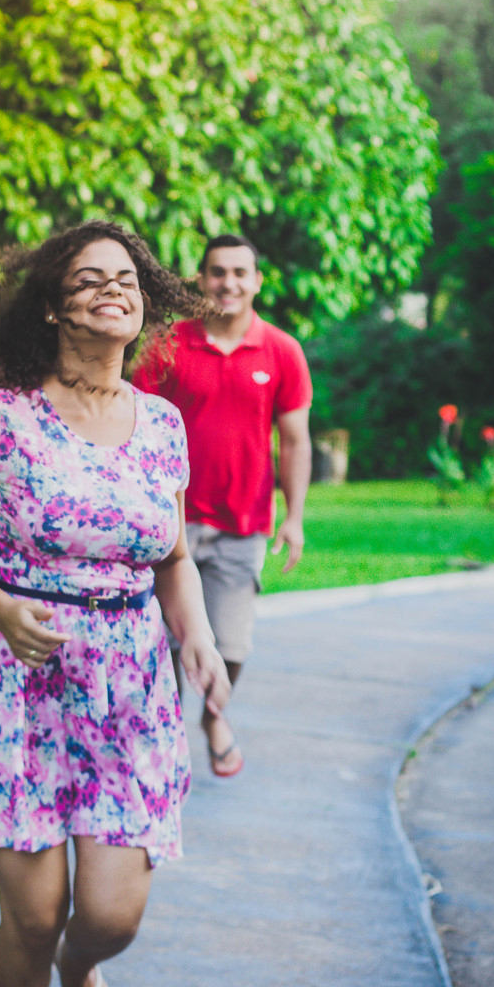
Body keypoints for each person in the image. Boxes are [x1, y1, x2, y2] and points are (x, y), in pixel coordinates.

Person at [0, 221, 229, 987]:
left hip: (127, 693)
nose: (112, 289)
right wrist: (3, 610)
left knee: (110, 917)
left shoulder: (161, 425)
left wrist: (192, 632)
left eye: (125, 277)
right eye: (89, 279)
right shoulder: (3, 416)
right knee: (37, 912)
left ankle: (82, 972)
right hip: (19, 690)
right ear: (53, 306)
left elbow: (170, 557)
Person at [133, 233, 312, 779]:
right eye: (217, 272)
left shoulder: (281, 350)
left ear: (257, 282)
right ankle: (159, 741)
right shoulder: (167, 345)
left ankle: (214, 717)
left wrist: (295, 516)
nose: (228, 283)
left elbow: (296, 439)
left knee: (232, 642)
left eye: (240, 273)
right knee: (162, 640)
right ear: (201, 280)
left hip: (243, 523)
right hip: (171, 523)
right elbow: (134, 424)